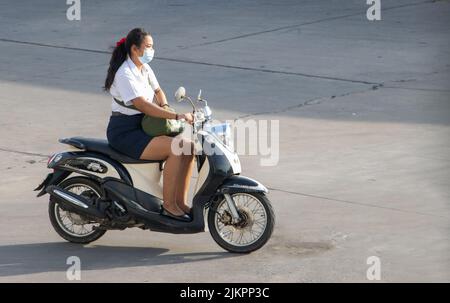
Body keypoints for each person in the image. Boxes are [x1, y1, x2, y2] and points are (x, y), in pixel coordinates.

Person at [104, 28, 194, 221]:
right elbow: (143, 105)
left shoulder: (143, 68)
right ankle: (169, 206)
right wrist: (176, 116)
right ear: (135, 49)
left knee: (190, 147)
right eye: (149, 47)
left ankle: (181, 202)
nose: (152, 50)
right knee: (176, 149)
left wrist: (166, 107)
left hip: (145, 125)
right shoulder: (124, 74)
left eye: (153, 46)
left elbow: (158, 90)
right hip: (126, 131)